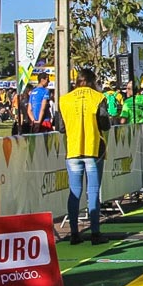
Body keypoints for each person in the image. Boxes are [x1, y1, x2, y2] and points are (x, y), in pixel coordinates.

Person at [58, 67, 112, 245]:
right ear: (92, 81)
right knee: (93, 192)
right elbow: (105, 125)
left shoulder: (64, 99)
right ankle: (95, 234)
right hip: (93, 149)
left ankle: (74, 234)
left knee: (74, 192)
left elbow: (61, 127)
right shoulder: (98, 98)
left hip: (73, 151)